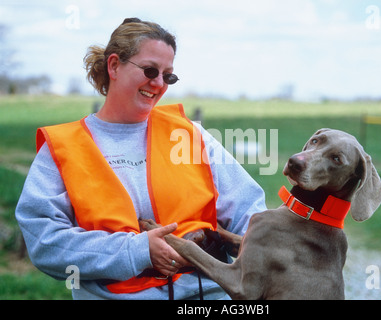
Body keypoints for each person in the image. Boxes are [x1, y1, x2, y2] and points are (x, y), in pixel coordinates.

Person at [15, 18, 266, 300]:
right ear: (113, 66)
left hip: (207, 295)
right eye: (149, 70)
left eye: (168, 75)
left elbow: (251, 214)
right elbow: (45, 243)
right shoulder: (62, 147)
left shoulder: (190, 135)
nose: (158, 83)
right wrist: (138, 251)